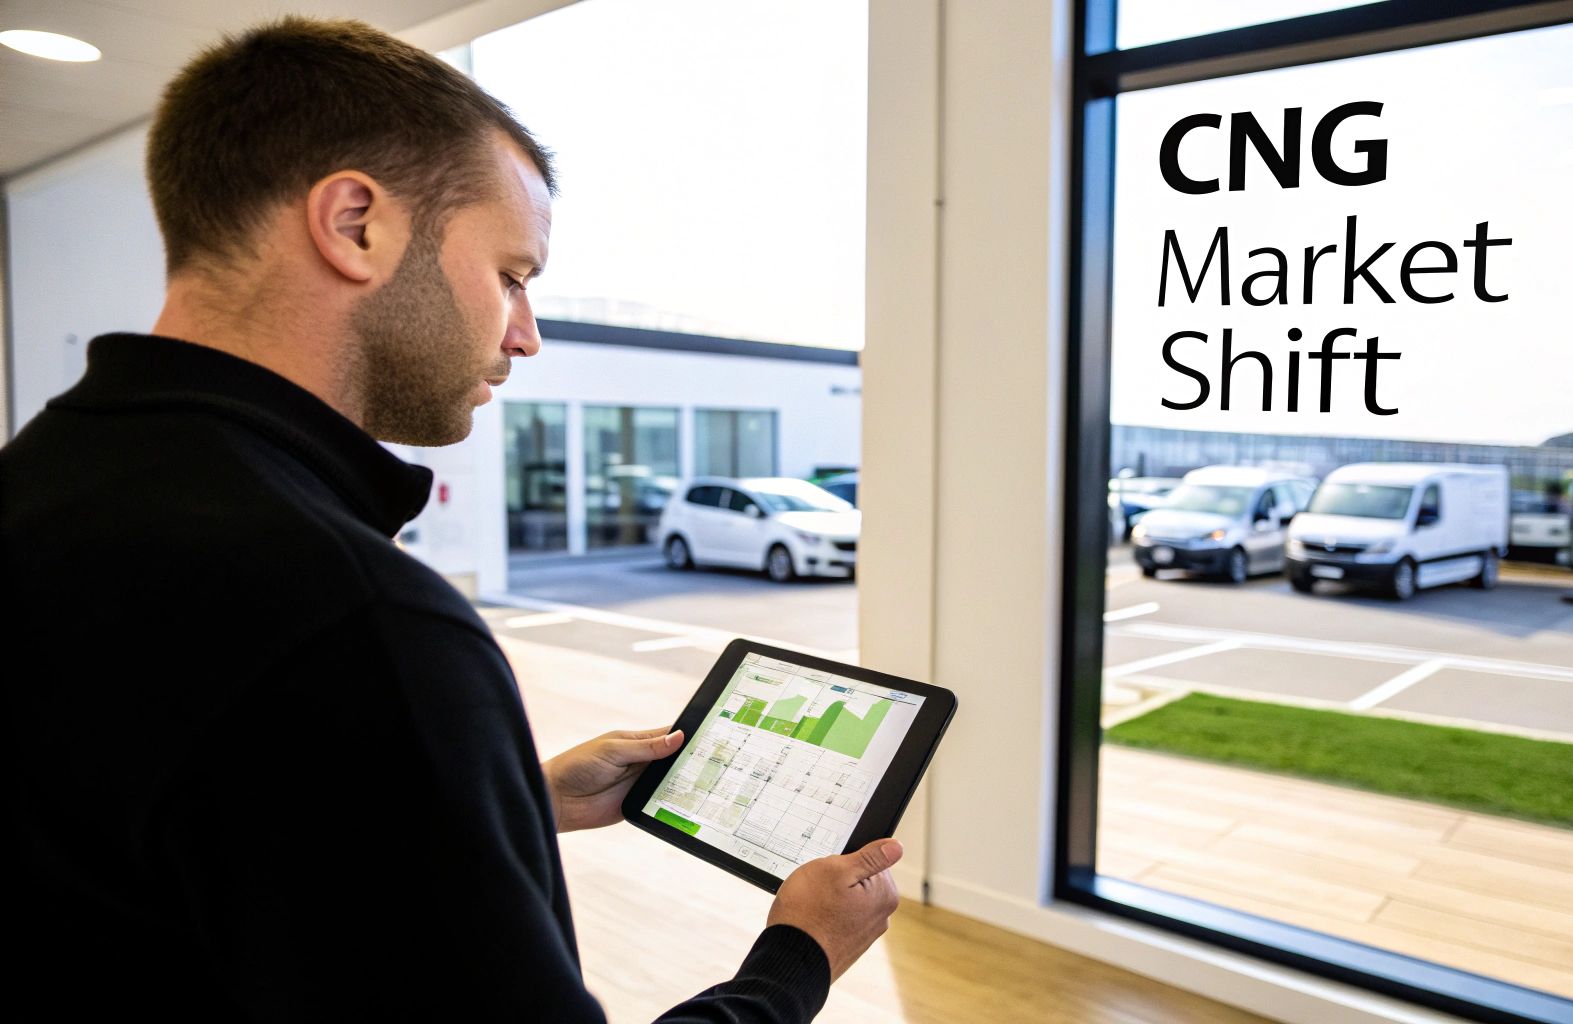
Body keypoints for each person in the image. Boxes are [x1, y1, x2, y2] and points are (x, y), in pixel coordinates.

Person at [0, 16, 900, 1022]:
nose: (526, 335)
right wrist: (795, 958)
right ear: (355, 225)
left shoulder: (47, 479)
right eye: (513, 275)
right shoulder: (355, 619)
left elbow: (205, 830)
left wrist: (512, 796)